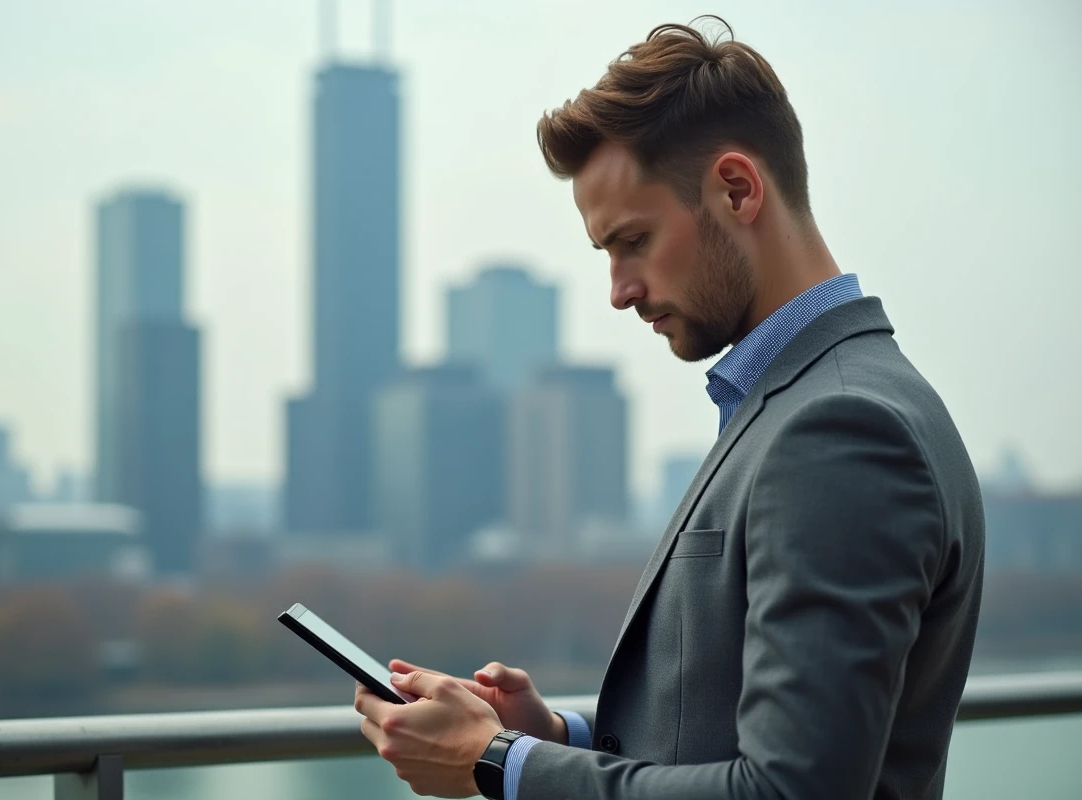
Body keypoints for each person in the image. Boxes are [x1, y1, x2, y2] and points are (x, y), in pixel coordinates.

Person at [354, 17, 985, 800]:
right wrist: (553, 738)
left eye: (634, 241)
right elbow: (737, 723)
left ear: (737, 189)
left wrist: (499, 764)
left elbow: (791, 791)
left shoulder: (842, 429)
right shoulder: (813, 401)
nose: (619, 291)